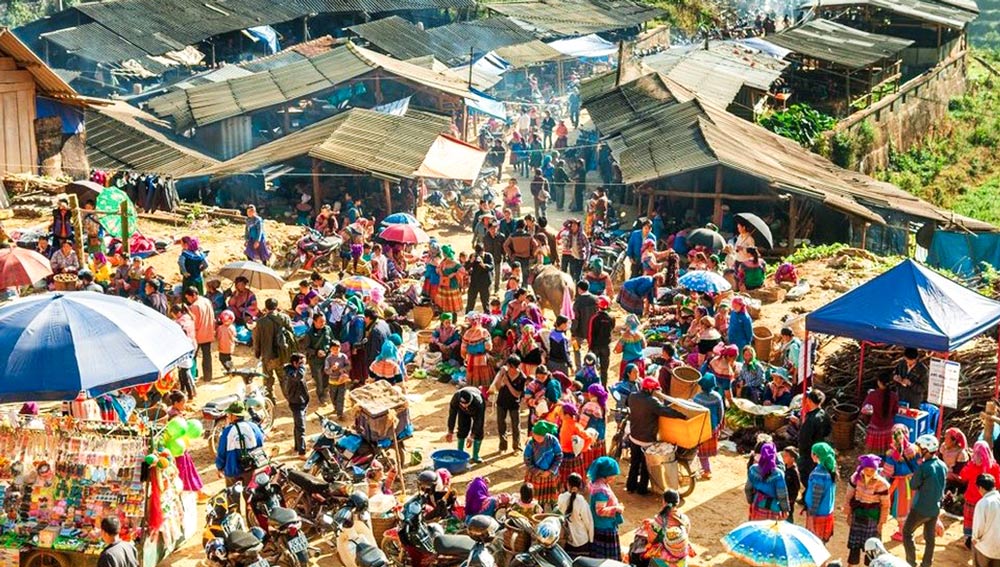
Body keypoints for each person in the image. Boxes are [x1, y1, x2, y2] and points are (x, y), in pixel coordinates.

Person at [627, 378, 685, 494]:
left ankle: (630, 486)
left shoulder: (633, 396)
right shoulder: (652, 401)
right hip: (647, 441)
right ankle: (642, 490)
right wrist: (682, 415)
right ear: (649, 389)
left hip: (633, 437)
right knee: (645, 467)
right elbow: (665, 411)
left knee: (634, 463)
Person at [902, 434, 947, 567]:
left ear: (926, 450)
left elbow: (913, 485)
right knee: (929, 538)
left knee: (906, 532)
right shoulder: (942, 465)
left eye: (920, 449)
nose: (918, 451)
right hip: (935, 508)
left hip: (920, 508)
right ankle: (927, 564)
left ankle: (911, 563)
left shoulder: (923, 467)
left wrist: (914, 476)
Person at [845, 455, 892, 567]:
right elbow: (849, 497)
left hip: (872, 517)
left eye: (872, 470)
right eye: (867, 469)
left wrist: (881, 523)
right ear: (862, 468)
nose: (869, 472)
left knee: (871, 548)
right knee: (854, 547)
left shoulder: (882, 484)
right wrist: (849, 514)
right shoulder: (855, 478)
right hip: (858, 514)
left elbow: (885, 505)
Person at [634, 489, 694, 567]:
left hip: (665, 556)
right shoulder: (684, 519)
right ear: (678, 502)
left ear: (664, 502)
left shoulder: (660, 520)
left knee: (639, 549)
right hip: (681, 555)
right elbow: (686, 533)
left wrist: (651, 527)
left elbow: (651, 539)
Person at [166, 390, 206, 501]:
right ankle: (191, 491)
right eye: (183, 402)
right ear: (176, 403)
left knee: (188, 468)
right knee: (183, 470)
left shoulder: (174, 412)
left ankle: (198, 491)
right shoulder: (173, 416)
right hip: (176, 449)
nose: (185, 405)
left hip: (180, 447)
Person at [214, 401, 265, 486]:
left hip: (232, 470)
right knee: (250, 495)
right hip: (251, 469)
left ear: (233, 415)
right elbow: (260, 443)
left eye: (229, 414)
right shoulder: (253, 427)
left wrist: (220, 467)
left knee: (232, 496)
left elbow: (221, 452)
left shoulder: (227, 431)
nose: (228, 416)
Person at [254, 298, 294, 402]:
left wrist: (257, 353)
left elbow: (257, 339)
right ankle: (290, 398)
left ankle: (270, 400)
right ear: (276, 306)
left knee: (268, 379)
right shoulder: (285, 318)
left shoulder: (261, 322)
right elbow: (292, 333)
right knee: (284, 378)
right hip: (283, 354)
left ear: (266, 307)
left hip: (268, 356)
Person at [961, 441, 1000, 546]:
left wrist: (970, 464)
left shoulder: (973, 466)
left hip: (976, 500)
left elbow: (963, 476)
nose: (978, 457)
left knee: (971, 521)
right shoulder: (994, 466)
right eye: (976, 454)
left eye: (979, 454)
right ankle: (973, 540)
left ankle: (969, 539)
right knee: (981, 522)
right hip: (983, 501)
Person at [884, 424, 918, 541]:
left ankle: (902, 532)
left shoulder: (891, 454)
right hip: (914, 481)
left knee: (901, 507)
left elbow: (888, 472)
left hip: (901, 484)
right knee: (912, 506)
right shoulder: (914, 449)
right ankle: (910, 530)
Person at [588, 456, 624, 559]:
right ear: (605, 474)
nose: (614, 478)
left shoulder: (599, 483)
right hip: (604, 528)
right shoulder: (601, 491)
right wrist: (616, 509)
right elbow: (600, 511)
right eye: (612, 475)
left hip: (604, 526)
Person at [490, 355, 526, 452]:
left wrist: (508, 383)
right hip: (501, 402)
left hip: (514, 403)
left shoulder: (522, 378)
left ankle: (516, 446)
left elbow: (517, 394)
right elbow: (497, 387)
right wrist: (500, 376)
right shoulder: (504, 373)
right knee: (501, 424)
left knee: (515, 425)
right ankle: (502, 446)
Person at [524, 420, 563, 510]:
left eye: (540, 436)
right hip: (536, 474)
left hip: (551, 473)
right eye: (535, 435)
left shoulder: (553, 440)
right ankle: (538, 508)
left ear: (545, 435)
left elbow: (559, 456)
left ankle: (553, 506)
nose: (537, 438)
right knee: (537, 497)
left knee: (552, 495)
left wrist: (550, 471)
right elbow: (527, 460)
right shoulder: (531, 444)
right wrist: (538, 471)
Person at [745, 442, 789, 520]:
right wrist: (785, 509)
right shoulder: (778, 473)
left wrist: (751, 501)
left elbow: (748, 488)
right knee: (770, 530)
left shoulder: (753, 469)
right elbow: (782, 494)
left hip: (757, 504)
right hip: (773, 508)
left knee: (756, 528)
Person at [804, 442, 838, 542]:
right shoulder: (830, 470)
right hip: (827, 513)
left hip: (817, 515)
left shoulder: (818, 474)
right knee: (821, 543)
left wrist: (811, 517)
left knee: (813, 543)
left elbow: (816, 497)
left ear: (815, 455)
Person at [692, 373, 724, 480]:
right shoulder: (717, 397)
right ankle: (706, 469)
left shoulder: (697, 398)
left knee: (701, 452)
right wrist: (718, 424)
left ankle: (706, 470)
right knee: (706, 451)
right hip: (712, 427)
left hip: (701, 428)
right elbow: (721, 413)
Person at [796, 389, 831, 482]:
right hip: (820, 449)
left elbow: (804, 439)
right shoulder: (825, 415)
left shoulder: (811, 419)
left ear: (809, 400)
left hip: (809, 453)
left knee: (806, 477)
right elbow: (828, 431)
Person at [184, 287, 216, 383]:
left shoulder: (194, 307)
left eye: (188, 298)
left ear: (193, 295)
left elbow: (194, 322)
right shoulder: (206, 301)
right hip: (208, 331)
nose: (188, 300)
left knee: (192, 357)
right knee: (207, 356)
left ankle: (193, 375)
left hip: (198, 335)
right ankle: (208, 377)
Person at [558, 473, 594, 557]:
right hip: (582, 540)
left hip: (568, 540)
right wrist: (591, 540)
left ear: (567, 485)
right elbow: (588, 522)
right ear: (580, 486)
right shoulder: (581, 502)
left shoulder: (561, 498)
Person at [861, 374, 899, 453]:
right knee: (887, 454)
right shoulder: (894, 396)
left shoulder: (872, 395)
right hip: (888, 430)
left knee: (872, 454)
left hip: (875, 430)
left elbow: (864, 410)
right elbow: (895, 411)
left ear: (879, 382)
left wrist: (867, 420)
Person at [446, 387, 486, 463]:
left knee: (479, 431)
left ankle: (475, 456)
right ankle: (460, 454)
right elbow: (452, 415)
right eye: (462, 404)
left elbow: (478, 421)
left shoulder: (478, 402)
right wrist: (450, 431)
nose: (465, 406)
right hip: (462, 412)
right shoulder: (456, 398)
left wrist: (472, 436)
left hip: (475, 411)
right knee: (462, 428)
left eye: (466, 404)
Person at [282, 353, 310, 457]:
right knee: (301, 428)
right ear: (294, 363)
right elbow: (299, 377)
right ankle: (301, 452)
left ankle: (297, 446)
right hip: (296, 403)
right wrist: (302, 366)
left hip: (302, 401)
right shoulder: (291, 373)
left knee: (298, 426)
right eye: (301, 363)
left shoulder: (295, 371)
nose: (303, 365)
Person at [304, 312, 334, 405]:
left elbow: (332, 340)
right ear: (314, 322)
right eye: (320, 322)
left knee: (326, 377)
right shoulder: (309, 333)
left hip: (327, 359)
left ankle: (325, 392)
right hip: (315, 361)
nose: (323, 323)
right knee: (319, 380)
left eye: (324, 321)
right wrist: (316, 352)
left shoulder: (327, 329)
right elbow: (306, 348)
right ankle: (320, 396)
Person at [973, 474, 1000, 567]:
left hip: (985, 548)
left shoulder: (983, 503)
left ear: (981, 488)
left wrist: (975, 538)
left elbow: (978, 527)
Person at [588, 296, 615, 385]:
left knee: (592, 368)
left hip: (595, 346)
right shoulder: (611, 317)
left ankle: (593, 385)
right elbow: (612, 328)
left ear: (598, 306)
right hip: (606, 346)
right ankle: (604, 386)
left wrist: (590, 347)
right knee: (604, 369)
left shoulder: (594, 318)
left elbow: (590, 334)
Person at [462, 313, 493, 388]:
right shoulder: (484, 332)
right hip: (482, 359)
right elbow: (488, 347)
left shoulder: (467, 333)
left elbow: (463, 349)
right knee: (485, 382)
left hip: (471, 359)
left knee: (472, 382)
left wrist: (465, 357)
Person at [504, 220, 538, 286]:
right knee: (525, 276)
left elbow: (505, 245)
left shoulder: (512, 235)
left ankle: (516, 290)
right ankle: (524, 290)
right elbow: (536, 245)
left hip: (516, 258)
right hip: (526, 258)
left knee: (516, 275)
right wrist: (532, 254)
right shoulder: (528, 235)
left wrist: (510, 254)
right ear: (524, 226)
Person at [323, 340, 351, 419]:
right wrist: (332, 369)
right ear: (330, 349)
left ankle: (340, 413)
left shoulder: (343, 357)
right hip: (332, 381)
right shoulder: (328, 359)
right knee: (333, 397)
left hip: (342, 381)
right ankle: (336, 407)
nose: (336, 351)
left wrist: (343, 370)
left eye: (337, 349)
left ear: (340, 348)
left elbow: (348, 366)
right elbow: (326, 371)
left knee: (341, 397)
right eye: (333, 349)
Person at [616, 314, 646, 380]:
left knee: (625, 381)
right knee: (639, 381)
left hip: (627, 362)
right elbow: (644, 346)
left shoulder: (624, 337)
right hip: (639, 361)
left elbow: (618, 350)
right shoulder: (640, 335)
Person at [465, 245, 493, 313]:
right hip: (474, 282)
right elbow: (466, 267)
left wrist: (483, 264)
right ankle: (468, 316)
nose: (479, 255)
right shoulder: (473, 256)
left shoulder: (488, 256)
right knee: (470, 302)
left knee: (485, 302)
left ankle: (487, 318)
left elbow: (491, 266)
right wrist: (471, 261)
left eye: (480, 252)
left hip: (485, 282)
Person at [782, 447, 801, 523]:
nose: (784, 457)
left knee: (788, 518)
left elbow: (797, 487)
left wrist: (791, 499)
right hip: (783, 498)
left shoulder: (794, 472)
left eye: (786, 456)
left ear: (792, 458)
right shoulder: (784, 468)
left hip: (789, 500)